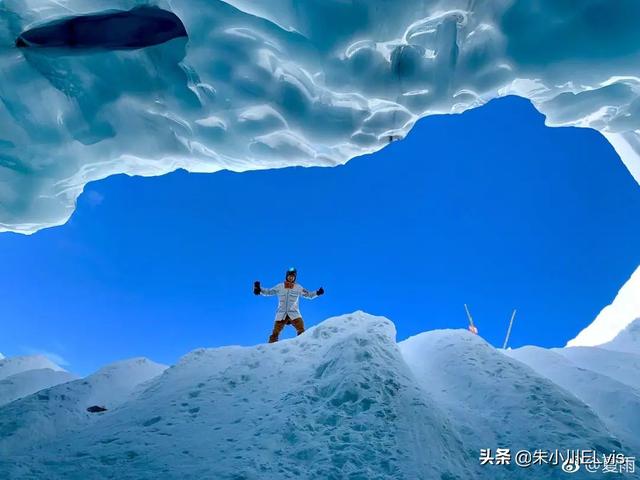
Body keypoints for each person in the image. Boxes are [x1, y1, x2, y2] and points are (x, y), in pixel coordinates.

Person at [254, 267, 324, 343]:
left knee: (301, 329)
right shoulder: (280, 286)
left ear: (295, 278)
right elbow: (269, 292)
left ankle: (302, 344)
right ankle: (271, 346)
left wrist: (317, 293)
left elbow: (308, 295)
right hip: (281, 313)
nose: (291, 278)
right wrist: (259, 290)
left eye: (293, 277)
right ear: (286, 276)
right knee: (275, 332)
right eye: (289, 276)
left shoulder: (298, 287)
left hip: (294, 313)